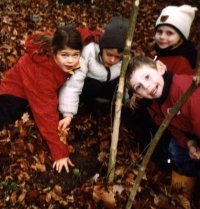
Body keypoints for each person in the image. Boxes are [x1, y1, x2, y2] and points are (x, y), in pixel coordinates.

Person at [0, 25, 83, 173]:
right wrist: (60, 152)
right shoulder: (42, 72)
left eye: (75, 55)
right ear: (54, 52)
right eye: (65, 55)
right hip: (15, 92)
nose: (71, 60)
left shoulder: (67, 56)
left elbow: (86, 34)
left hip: (37, 91)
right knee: (7, 115)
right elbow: (45, 112)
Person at [124, 4, 198, 171]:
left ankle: (162, 157)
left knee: (164, 139)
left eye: (169, 33)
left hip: (172, 113)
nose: (162, 37)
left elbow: (177, 98)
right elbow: (144, 77)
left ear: (181, 36)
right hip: (159, 106)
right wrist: (137, 94)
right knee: (131, 113)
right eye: (159, 32)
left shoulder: (182, 61)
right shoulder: (159, 53)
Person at [126, 55, 200, 201]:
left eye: (147, 77)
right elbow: (172, 127)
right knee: (175, 148)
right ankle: (182, 193)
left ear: (160, 68)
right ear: (136, 95)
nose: (146, 86)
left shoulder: (185, 92)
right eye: (139, 87)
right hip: (193, 135)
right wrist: (189, 143)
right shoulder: (153, 104)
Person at [58, 16, 129, 130]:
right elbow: (74, 83)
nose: (112, 60)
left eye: (117, 57)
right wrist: (68, 114)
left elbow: (128, 82)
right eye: (109, 54)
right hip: (89, 87)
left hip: (108, 88)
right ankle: (87, 105)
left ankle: (103, 106)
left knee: (119, 83)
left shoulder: (125, 60)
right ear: (102, 48)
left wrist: (127, 102)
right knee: (92, 85)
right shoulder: (89, 52)